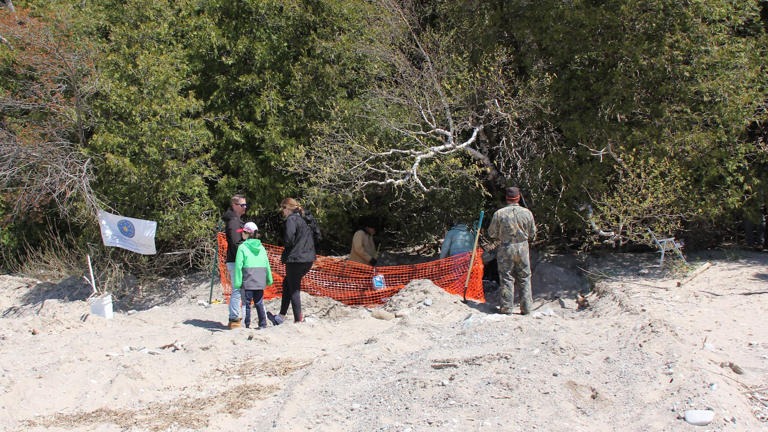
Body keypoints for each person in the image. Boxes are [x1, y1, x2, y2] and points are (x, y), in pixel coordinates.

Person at [488, 187, 536, 315]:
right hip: (523, 248)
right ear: (518, 197)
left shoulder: (499, 214)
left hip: (506, 247)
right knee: (525, 277)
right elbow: (533, 233)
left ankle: (506, 308)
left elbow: (492, 233)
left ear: (506, 198)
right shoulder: (527, 213)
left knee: (506, 277)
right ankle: (526, 308)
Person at [271, 197, 316, 325]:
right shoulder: (303, 219)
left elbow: (289, 239)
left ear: (289, 208)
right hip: (308, 259)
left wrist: (284, 241)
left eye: (283, 208)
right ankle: (281, 315)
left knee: (294, 289)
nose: (282, 211)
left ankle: (298, 319)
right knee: (287, 284)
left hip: (296, 259)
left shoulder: (291, 219)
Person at [233, 222, 273, 329]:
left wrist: (237, 282)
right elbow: (267, 264)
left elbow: (238, 266)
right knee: (259, 302)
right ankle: (263, 324)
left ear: (247, 233)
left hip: (248, 279)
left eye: (243, 232)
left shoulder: (242, 247)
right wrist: (269, 279)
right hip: (260, 279)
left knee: (246, 303)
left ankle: (246, 325)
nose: (241, 234)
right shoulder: (262, 247)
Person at [223, 194, 247, 328]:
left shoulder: (237, 220)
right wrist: (246, 253)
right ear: (234, 206)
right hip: (236, 260)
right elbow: (235, 243)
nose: (245, 207)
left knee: (241, 289)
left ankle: (239, 316)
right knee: (237, 289)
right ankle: (234, 318)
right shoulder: (233, 222)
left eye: (245, 205)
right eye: (242, 205)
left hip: (238, 260)